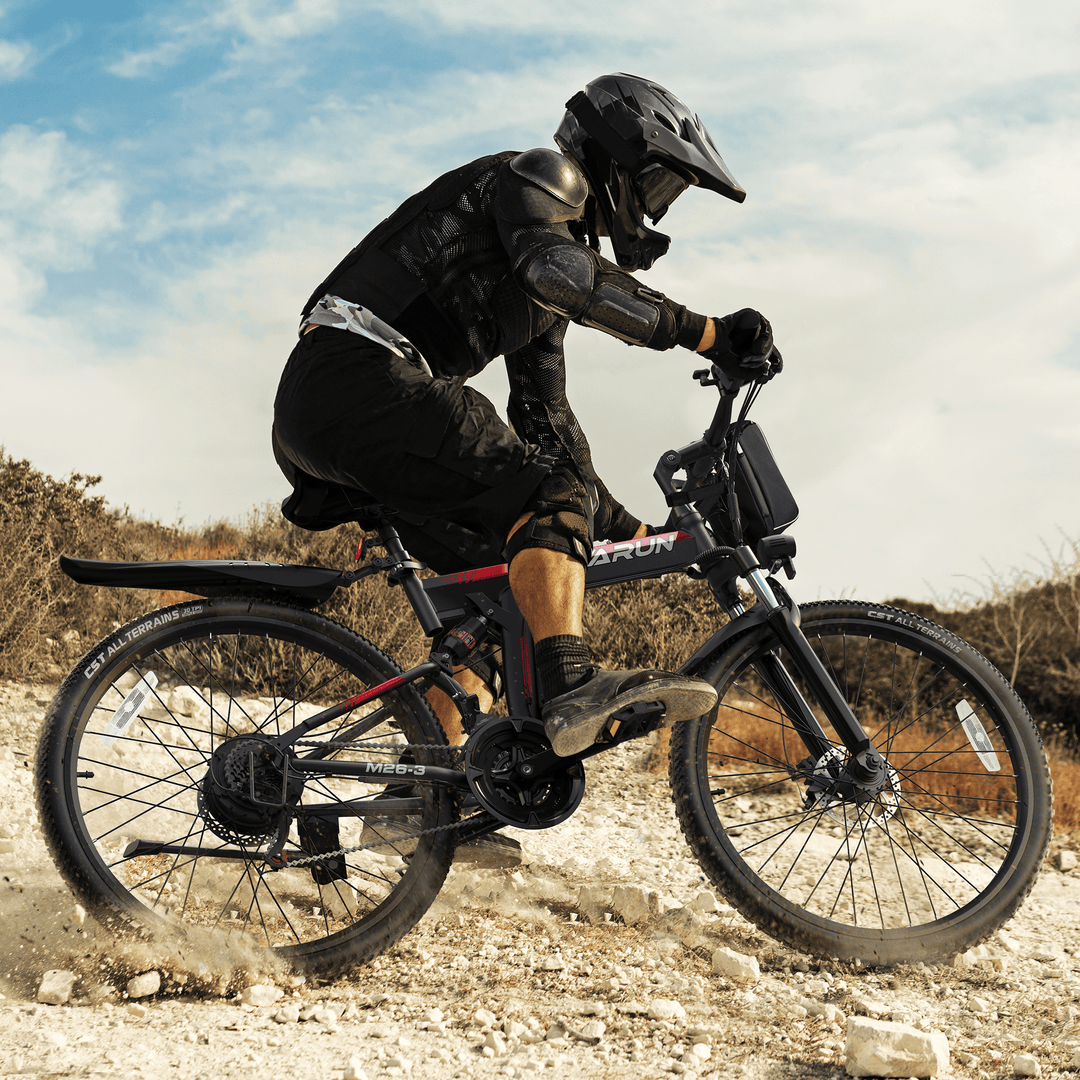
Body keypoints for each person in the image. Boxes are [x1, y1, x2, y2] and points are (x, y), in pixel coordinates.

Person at [272, 72, 778, 771]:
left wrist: (635, 534)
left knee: (500, 591)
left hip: (332, 405)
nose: (656, 211)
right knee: (544, 501)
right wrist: (710, 335)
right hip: (358, 378)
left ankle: (426, 792)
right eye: (657, 187)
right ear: (617, 157)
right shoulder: (539, 179)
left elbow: (548, 425)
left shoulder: (539, 272)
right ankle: (571, 687)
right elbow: (564, 274)